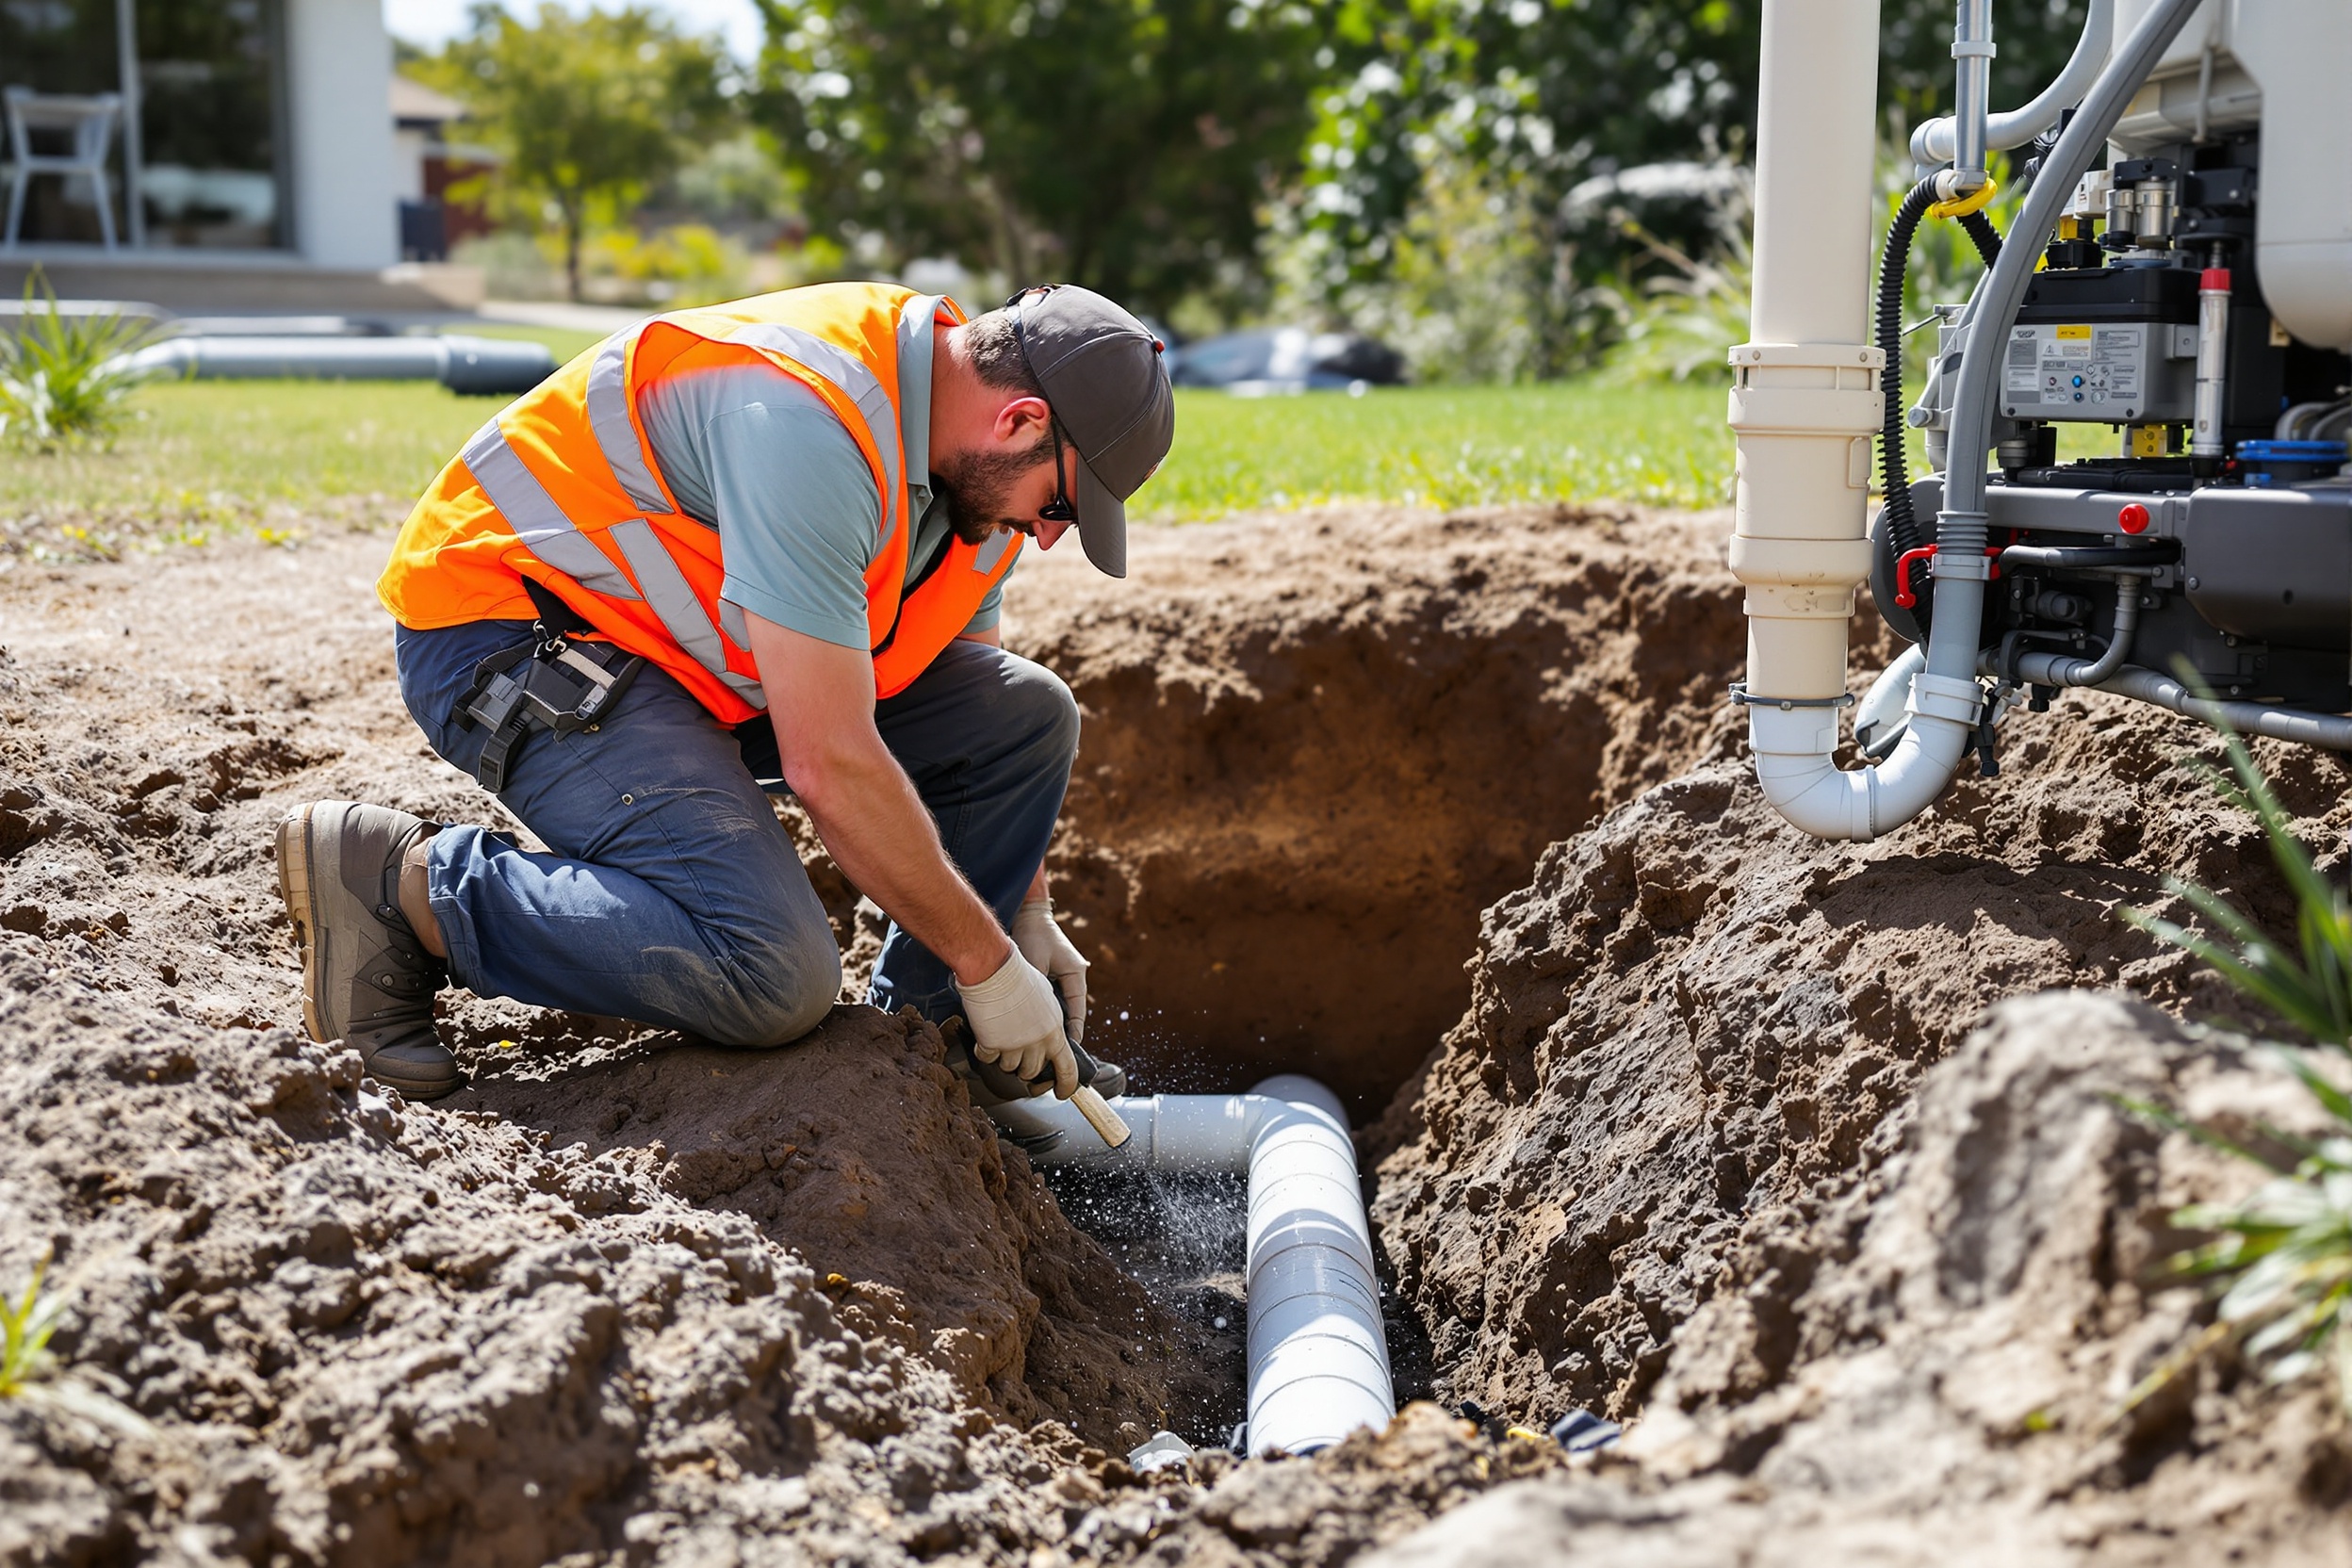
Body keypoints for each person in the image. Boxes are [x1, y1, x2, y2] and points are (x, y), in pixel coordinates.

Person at [273, 281, 1174, 1107]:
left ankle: (934, 1043)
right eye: (1062, 507)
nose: (1051, 538)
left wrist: (1024, 913)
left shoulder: (969, 475)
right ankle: (404, 887)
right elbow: (831, 763)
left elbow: (978, 703)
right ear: (1018, 421)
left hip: (683, 659)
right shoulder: (810, 423)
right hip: (521, 635)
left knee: (1030, 712)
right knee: (772, 973)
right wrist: (990, 964)